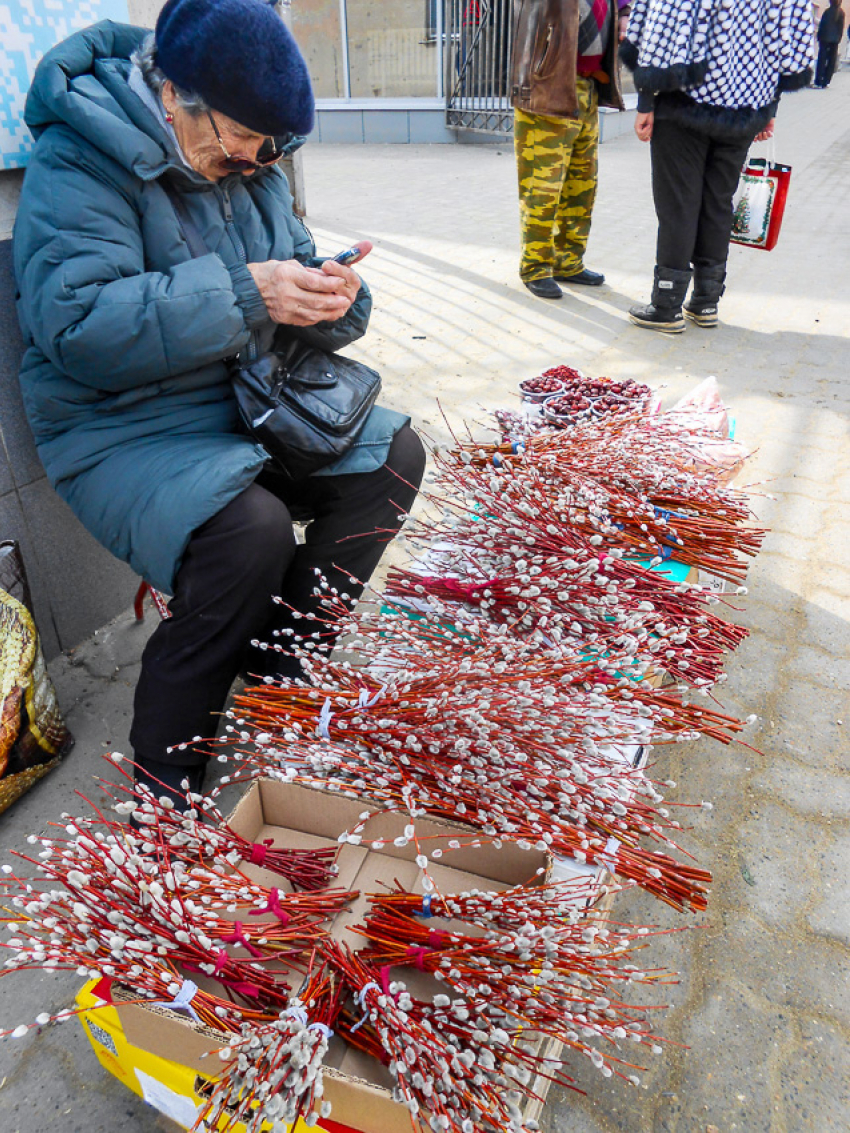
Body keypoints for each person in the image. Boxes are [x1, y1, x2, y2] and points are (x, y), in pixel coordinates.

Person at [13, 0, 426, 807]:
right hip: (122, 423)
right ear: (174, 93)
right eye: (233, 142)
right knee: (251, 531)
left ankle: (279, 661)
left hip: (247, 396)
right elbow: (77, 326)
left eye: (265, 150)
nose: (248, 159)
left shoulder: (249, 158)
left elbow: (290, 272)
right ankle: (165, 776)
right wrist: (249, 292)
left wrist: (332, 294)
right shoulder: (80, 159)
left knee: (394, 459)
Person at [622, 0, 814, 333]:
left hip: (684, 101)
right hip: (744, 106)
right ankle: (705, 301)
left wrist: (646, 102)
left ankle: (667, 304)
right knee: (717, 202)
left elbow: (660, 28)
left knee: (679, 204)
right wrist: (769, 109)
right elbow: (791, 41)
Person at [509, 0, 631, 301]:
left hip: (586, 89)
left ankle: (568, 261)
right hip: (547, 89)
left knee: (582, 186)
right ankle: (535, 267)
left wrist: (625, 13)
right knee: (542, 188)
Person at [814, 0, 846, 87]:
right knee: (831, 61)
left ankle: (818, 80)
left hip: (824, 39)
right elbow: (841, 28)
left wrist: (819, 37)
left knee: (822, 59)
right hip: (835, 41)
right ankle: (826, 81)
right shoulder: (841, 13)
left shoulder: (827, 12)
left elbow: (822, 26)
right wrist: (838, 39)